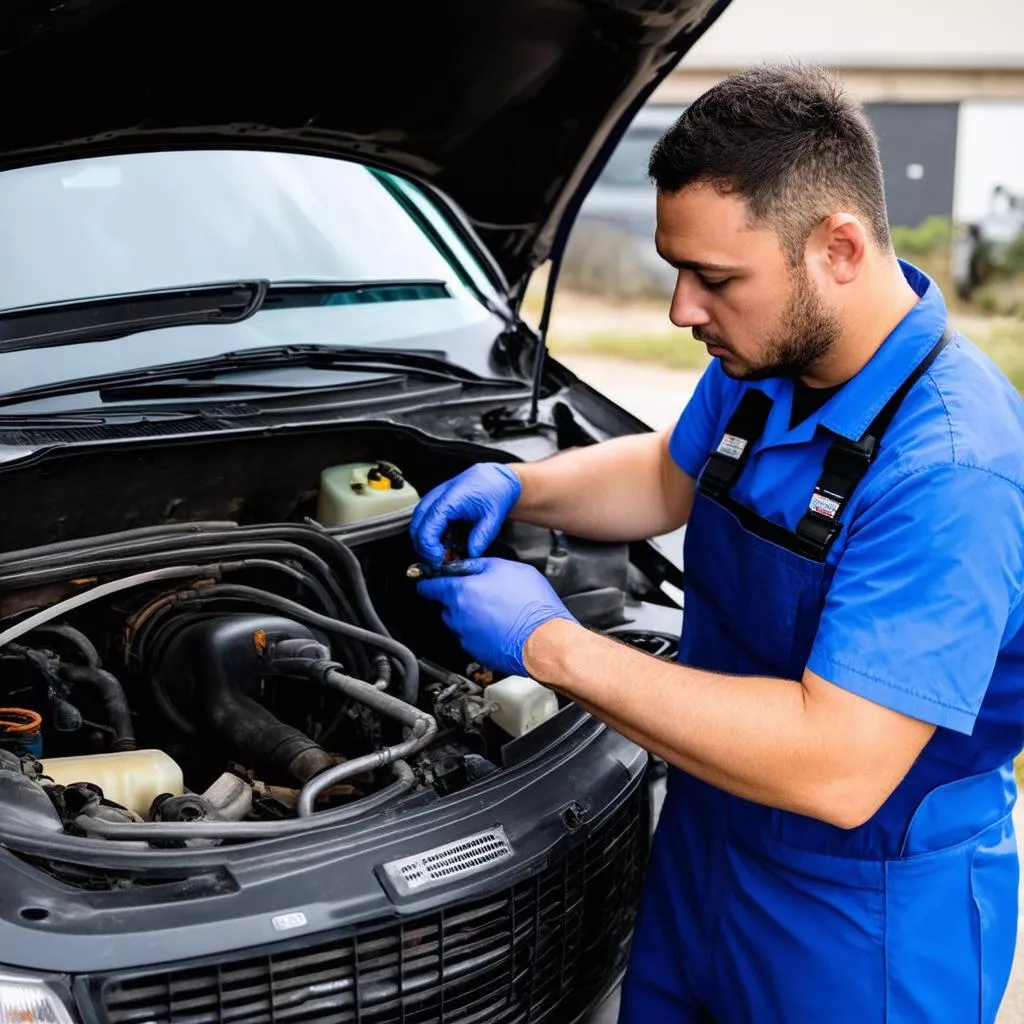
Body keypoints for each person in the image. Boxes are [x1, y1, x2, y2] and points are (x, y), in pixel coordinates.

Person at [410, 64, 1024, 1023]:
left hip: (860, 914)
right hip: (706, 838)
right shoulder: (771, 357)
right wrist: (516, 483)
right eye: (677, 271)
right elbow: (672, 473)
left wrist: (549, 643)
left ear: (841, 248)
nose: (681, 310)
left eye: (716, 279)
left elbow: (838, 765)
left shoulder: (951, 470)